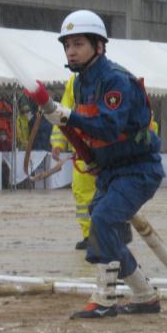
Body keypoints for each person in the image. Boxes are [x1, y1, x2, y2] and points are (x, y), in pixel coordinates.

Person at [42, 9, 164, 318]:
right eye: (67, 45)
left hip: (138, 171)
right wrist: (94, 158)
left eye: (78, 44)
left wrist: (67, 115)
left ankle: (105, 300)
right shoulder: (81, 82)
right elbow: (91, 131)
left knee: (104, 221)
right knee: (102, 225)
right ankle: (145, 295)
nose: (71, 51)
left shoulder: (115, 81)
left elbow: (109, 126)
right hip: (111, 171)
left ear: (99, 46)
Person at [51, 74, 97, 250]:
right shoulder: (73, 82)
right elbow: (62, 112)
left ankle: (105, 236)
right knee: (82, 194)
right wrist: (58, 142)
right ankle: (89, 236)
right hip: (81, 151)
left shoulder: (109, 76)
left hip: (103, 149)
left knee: (105, 193)